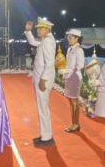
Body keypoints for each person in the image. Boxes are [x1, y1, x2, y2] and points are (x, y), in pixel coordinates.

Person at [23, 18, 57, 147]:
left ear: (46, 29)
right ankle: (45, 134)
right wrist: (28, 31)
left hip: (44, 79)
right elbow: (32, 42)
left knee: (43, 108)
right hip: (41, 78)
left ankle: (47, 137)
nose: (37, 30)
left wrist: (43, 79)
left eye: (39, 28)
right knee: (42, 108)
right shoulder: (45, 40)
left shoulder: (48, 42)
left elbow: (50, 63)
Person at [63, 29, 85, 133]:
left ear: (77, 38)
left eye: (71, 37)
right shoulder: (70, 49)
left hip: (75, 77)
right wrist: (66, 72)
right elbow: (69, 64)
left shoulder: (79, 50)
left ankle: (76, 124)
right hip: (69, 77)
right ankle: (74, 124)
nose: (69, 39)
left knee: (74, 102)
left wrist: (69, 72)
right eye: (69, 37)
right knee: (71, 102)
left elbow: (80, 65)